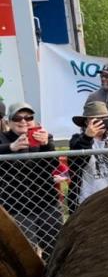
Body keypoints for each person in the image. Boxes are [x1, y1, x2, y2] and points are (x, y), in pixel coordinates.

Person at [0, 102, 60, 259]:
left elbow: (52, 165)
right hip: (16, 206)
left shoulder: (44, 136)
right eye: (17, 118)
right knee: (27, 253)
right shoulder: (3, 139)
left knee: (54, 249)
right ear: (9, 121)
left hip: (46, 202)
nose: (23, 121)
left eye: (28, 117)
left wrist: (46, 145)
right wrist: (11, 148)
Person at [67, 101, 108, 212]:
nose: (101, 123)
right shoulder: (77, 139)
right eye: (96, 120)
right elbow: (76, 163)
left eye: (104, 119)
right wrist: (88, 137)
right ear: (86, 122)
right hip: (87, 201)